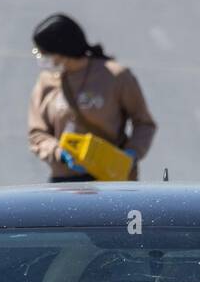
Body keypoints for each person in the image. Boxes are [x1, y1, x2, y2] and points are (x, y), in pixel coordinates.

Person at [27, 13, 157, 182]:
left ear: (62, 50)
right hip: (66, 182)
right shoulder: (46, 81)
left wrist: (132, 153)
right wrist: (59, 153)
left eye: (44, 53)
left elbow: (144, 123)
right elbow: (37, 133)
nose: (43, 58)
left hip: (110, 179)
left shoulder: (116, 76)